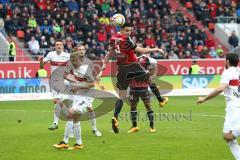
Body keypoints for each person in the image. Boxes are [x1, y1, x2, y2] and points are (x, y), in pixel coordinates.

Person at [100, 22, 168, 133]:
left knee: (121, 96)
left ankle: (115, 116)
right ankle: (161, 100)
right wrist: (156, 49)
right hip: (132, 66)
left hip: (121, 69)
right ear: (121, 29)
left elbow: (109, 53)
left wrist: (104, 64)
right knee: (149, 79)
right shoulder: (127, 40)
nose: (129, 32)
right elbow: (141, 51)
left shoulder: (113, 38)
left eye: (130, 31)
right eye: (127, 30)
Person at [197, 53, 240, 160]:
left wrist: (204, 99)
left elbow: (221, 88)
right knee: (228, 138)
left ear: (228, 61)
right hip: (235, 106)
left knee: (227, 136)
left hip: (234, 107)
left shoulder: (227, 72)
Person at [53, 50, 96, 149]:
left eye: (76, 61)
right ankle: (79, 143)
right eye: (72, 61)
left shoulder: (86, 69)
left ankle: (64, 141)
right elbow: (65, 75)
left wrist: (78, 86)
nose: (74, 63)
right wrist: (75, 81)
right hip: (79, 95)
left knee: (69, 114)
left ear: (80, 59)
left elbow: (93, 84)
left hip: (87, 96)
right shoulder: (70, 64)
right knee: (76, 119)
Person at [41, 40, 70, 130]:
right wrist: (41, 62)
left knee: (58, 101)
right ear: (54, 46)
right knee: (58, 102)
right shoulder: (50, 54)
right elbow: (42, 64)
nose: (58, 46)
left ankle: (56, 122)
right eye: (57, 45)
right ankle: (63, 120)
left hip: (63, 81)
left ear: (63, 46)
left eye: (60, 45)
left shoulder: (67, 56)